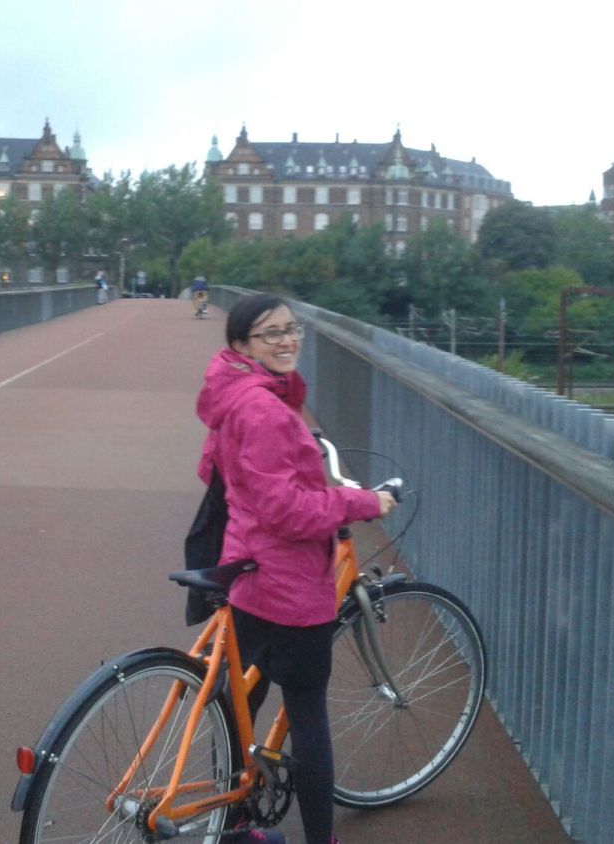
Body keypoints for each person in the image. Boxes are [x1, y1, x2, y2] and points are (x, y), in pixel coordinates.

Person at [196, 294, 396, 844]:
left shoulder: (235, 396)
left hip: (245, 570)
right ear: (241, 346)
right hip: (288, 583)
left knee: (241, 704)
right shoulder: (263, 409)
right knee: (308, 718)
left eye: (292, 329)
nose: (287, 341)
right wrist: (360, 503)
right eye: (270, 334)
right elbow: (286, 510)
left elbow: (223, 473)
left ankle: (235, 821)